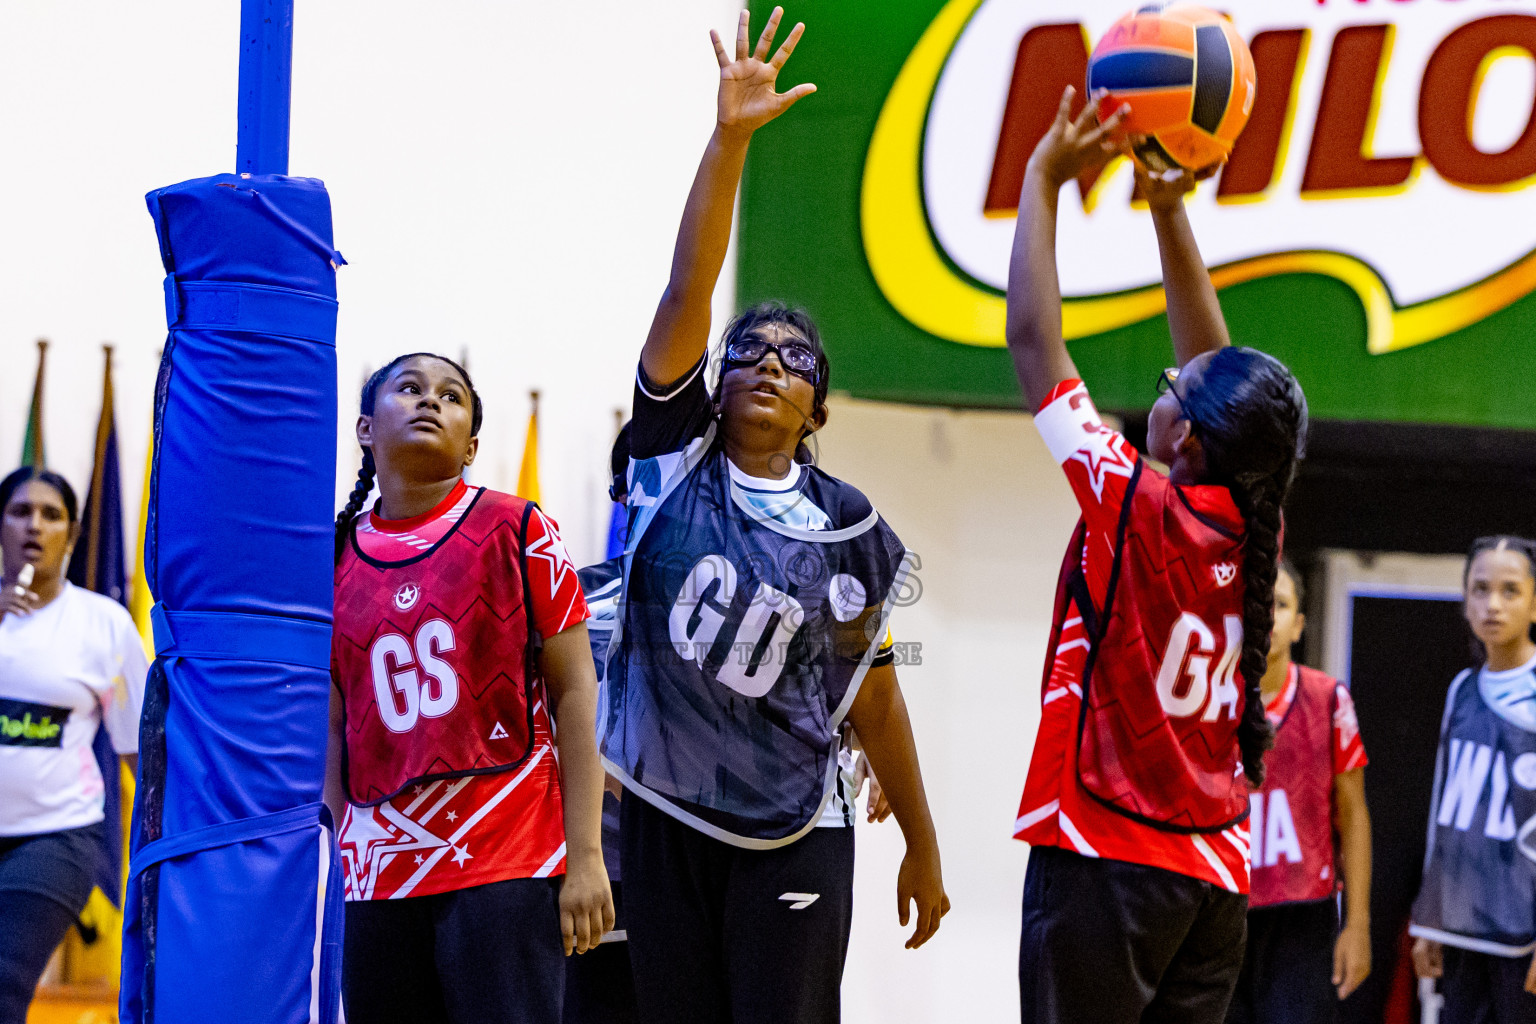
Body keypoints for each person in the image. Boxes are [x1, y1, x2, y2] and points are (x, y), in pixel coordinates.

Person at [599, 10, 949, 1024]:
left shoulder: (849, 528)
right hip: (666, 814)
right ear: (715, 379)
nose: (766, 362)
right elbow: (685, 291)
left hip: (798, 824)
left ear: (819, 405)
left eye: (794, 356)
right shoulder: (671, 460)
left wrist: (924, 843)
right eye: (748, 349)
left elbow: (875, 697)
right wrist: (731, 139)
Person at [1006, 88, 1308, 1024]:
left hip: (1106, 852)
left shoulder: (1137, 502)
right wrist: (1171, 211)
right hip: (1215, 875)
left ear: (1190, 438)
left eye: (1173, 389)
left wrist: (1043, 177)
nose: (1168, 383)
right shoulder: (1258, 520)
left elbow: (1031, 338)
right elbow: (1220, 376)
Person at [325, 353, 613, 1024]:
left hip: (505, 856)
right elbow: (333, 721)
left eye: (452, 396)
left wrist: (586, 857)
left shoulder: (519, 529)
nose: (431, 402)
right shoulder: (333, 556)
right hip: (375, 867)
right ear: (366, 428)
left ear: (473, 445)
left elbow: (577, 690)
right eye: (410, 388)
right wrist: (327, 866)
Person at [0, 467, 146, 1024]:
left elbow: (138, 749)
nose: (35, 526)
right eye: (20, 512)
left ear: (74, 531)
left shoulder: (102, 625)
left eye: (51, 514)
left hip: (54, 838)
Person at [1226, 560, 1372, 1023]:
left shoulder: (1329, 699)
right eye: (1257, 604)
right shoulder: (1206, 699)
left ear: (1299, 625)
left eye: (1281, 604)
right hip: (1220, 905)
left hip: (1301, 912)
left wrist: (1358, 924)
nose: (1267, 615)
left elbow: (1353, 816)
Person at [1410, 536, 1536, 1022]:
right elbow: (1445, 812)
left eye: (1510, 591)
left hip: (1524, 931)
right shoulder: (1461, 690)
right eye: (1480, 590)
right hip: (1462, 929)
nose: (1493, 605)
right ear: (1464, 601)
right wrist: (1430, 917)